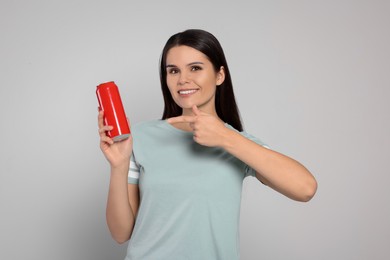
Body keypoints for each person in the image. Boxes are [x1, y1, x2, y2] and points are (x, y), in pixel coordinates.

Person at [98, 29, 317, 260]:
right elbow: (121, 233)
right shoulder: (141, 137)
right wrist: (118, 166)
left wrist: (224, 137)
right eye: (173, 71)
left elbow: (305, 188)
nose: (182, 79)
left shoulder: (237, 143)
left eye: (195, 68)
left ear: (220, 75)